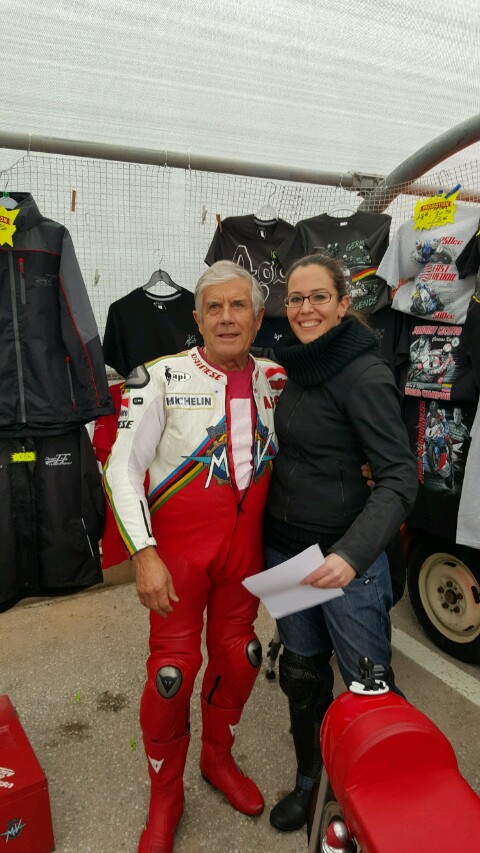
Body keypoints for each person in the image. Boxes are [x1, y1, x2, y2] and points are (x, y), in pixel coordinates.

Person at [103, 260, 285, 853]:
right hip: (178, 561)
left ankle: (217, 759)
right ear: (197, 318)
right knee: (171, 676)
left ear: (257, 316)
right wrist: (144, 554)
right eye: (214, 308)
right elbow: (121, 470)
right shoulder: (159, 377)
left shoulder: (276, 378)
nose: (227, 318)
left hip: (245, 561)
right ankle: (165, 796)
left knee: (242, 657)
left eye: (238, 306)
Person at [263, 253, 418, 833]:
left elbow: (399, 477)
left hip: (345, 559)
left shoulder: (364, 373)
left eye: (319, 297)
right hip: (288, 550)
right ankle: (311, 781)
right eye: (296, 299)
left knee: (366, 685)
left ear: (344, 303)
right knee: (302, 676)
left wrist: (351, 555)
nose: (305, 309)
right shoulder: (296, 365)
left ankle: (373, 796)